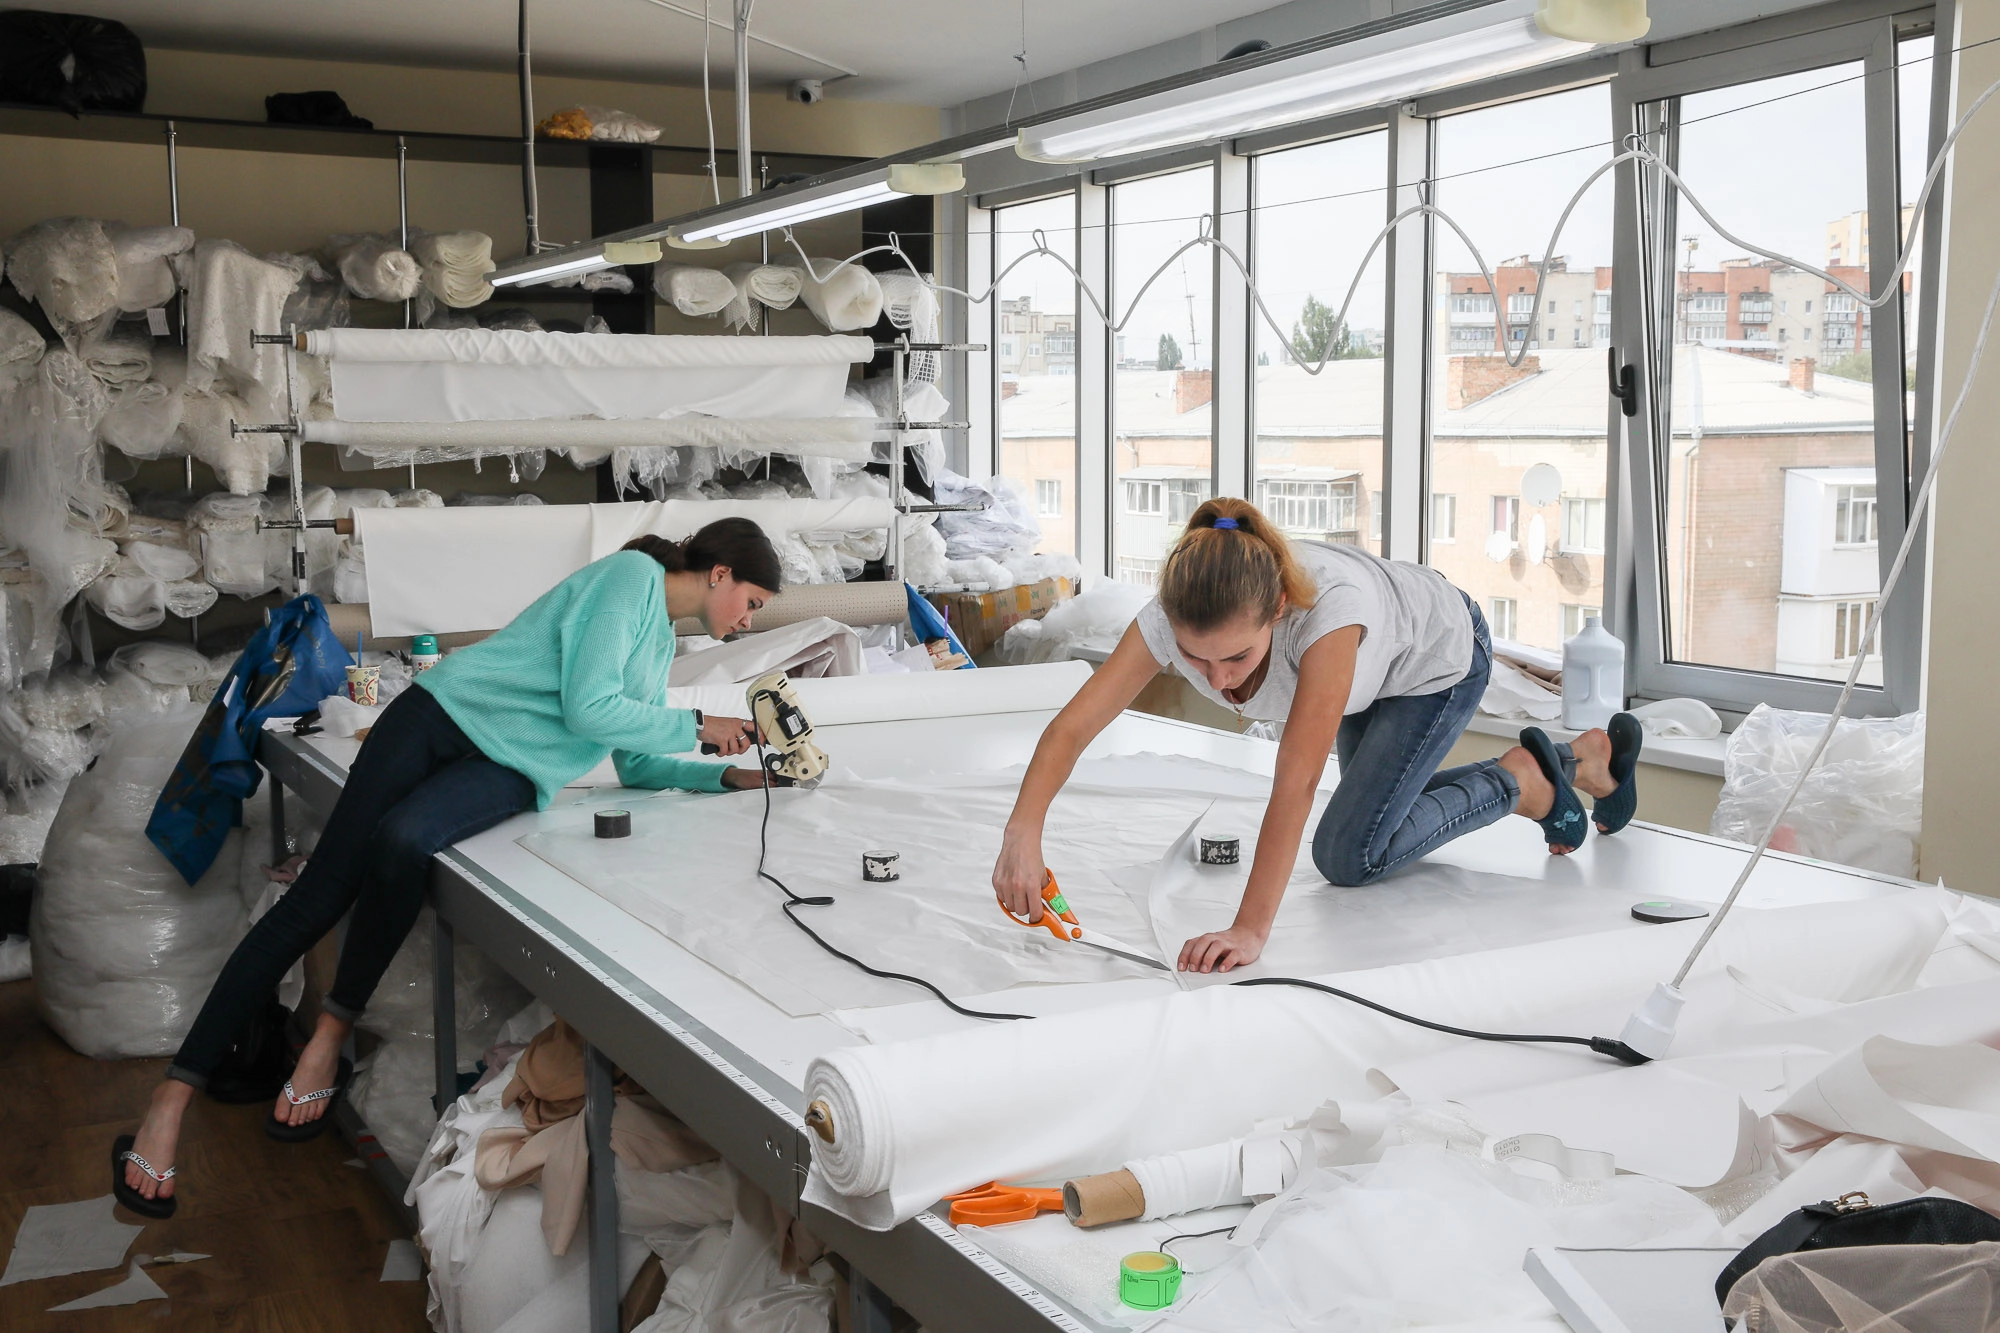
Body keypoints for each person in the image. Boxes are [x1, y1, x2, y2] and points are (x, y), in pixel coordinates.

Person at [114, 519, 785, 1216]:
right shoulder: (631, 580)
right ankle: (171, 1097)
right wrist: (698, 723)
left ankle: (331, 1032)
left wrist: (721, 776)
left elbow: (636, 756)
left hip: (510, 765)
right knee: (318, 895)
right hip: (441, 713)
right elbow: (591, 707)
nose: (748, 618)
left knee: (404, 841)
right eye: (753, 600)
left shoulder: (660, 643)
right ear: (719, 573)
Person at [992, 497, 1641, 975]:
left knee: (1349, 853)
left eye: (1238, 659)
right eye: (1196, 661)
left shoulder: (1326, 618)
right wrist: (1022, 834)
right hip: (1376, 669)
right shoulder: (1175, 612)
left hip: (1435, 657)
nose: (1220, 681)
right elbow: (1073, 724)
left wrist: (1249, 929)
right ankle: (1574, 762)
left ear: (1277, 609)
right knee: (1376, 818)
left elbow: (1296, 781)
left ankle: (1523, 779)